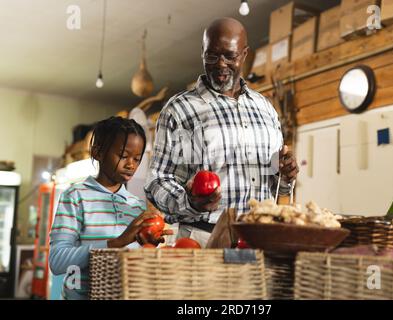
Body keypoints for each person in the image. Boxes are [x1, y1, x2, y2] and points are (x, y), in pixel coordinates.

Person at [145, 17, 299, 247]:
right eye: (212, 56)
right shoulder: (179, 110)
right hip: (202, 239)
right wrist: (189, 201)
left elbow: (276, 184)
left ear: (244, 54)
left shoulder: (265, 108)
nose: (221, 64)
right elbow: (157, 180)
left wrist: (285, 175)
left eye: (230, 55)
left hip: (258, 240)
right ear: (203, 54)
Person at [49, 116, 170, 300]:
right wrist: (115, 243)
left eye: (137, 159)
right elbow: (57, 261)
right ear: (98, 152)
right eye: (123, 156)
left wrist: (147, 245)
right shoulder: (75, 197)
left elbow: (131, 265)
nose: (131, 164)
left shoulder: (136, 206)